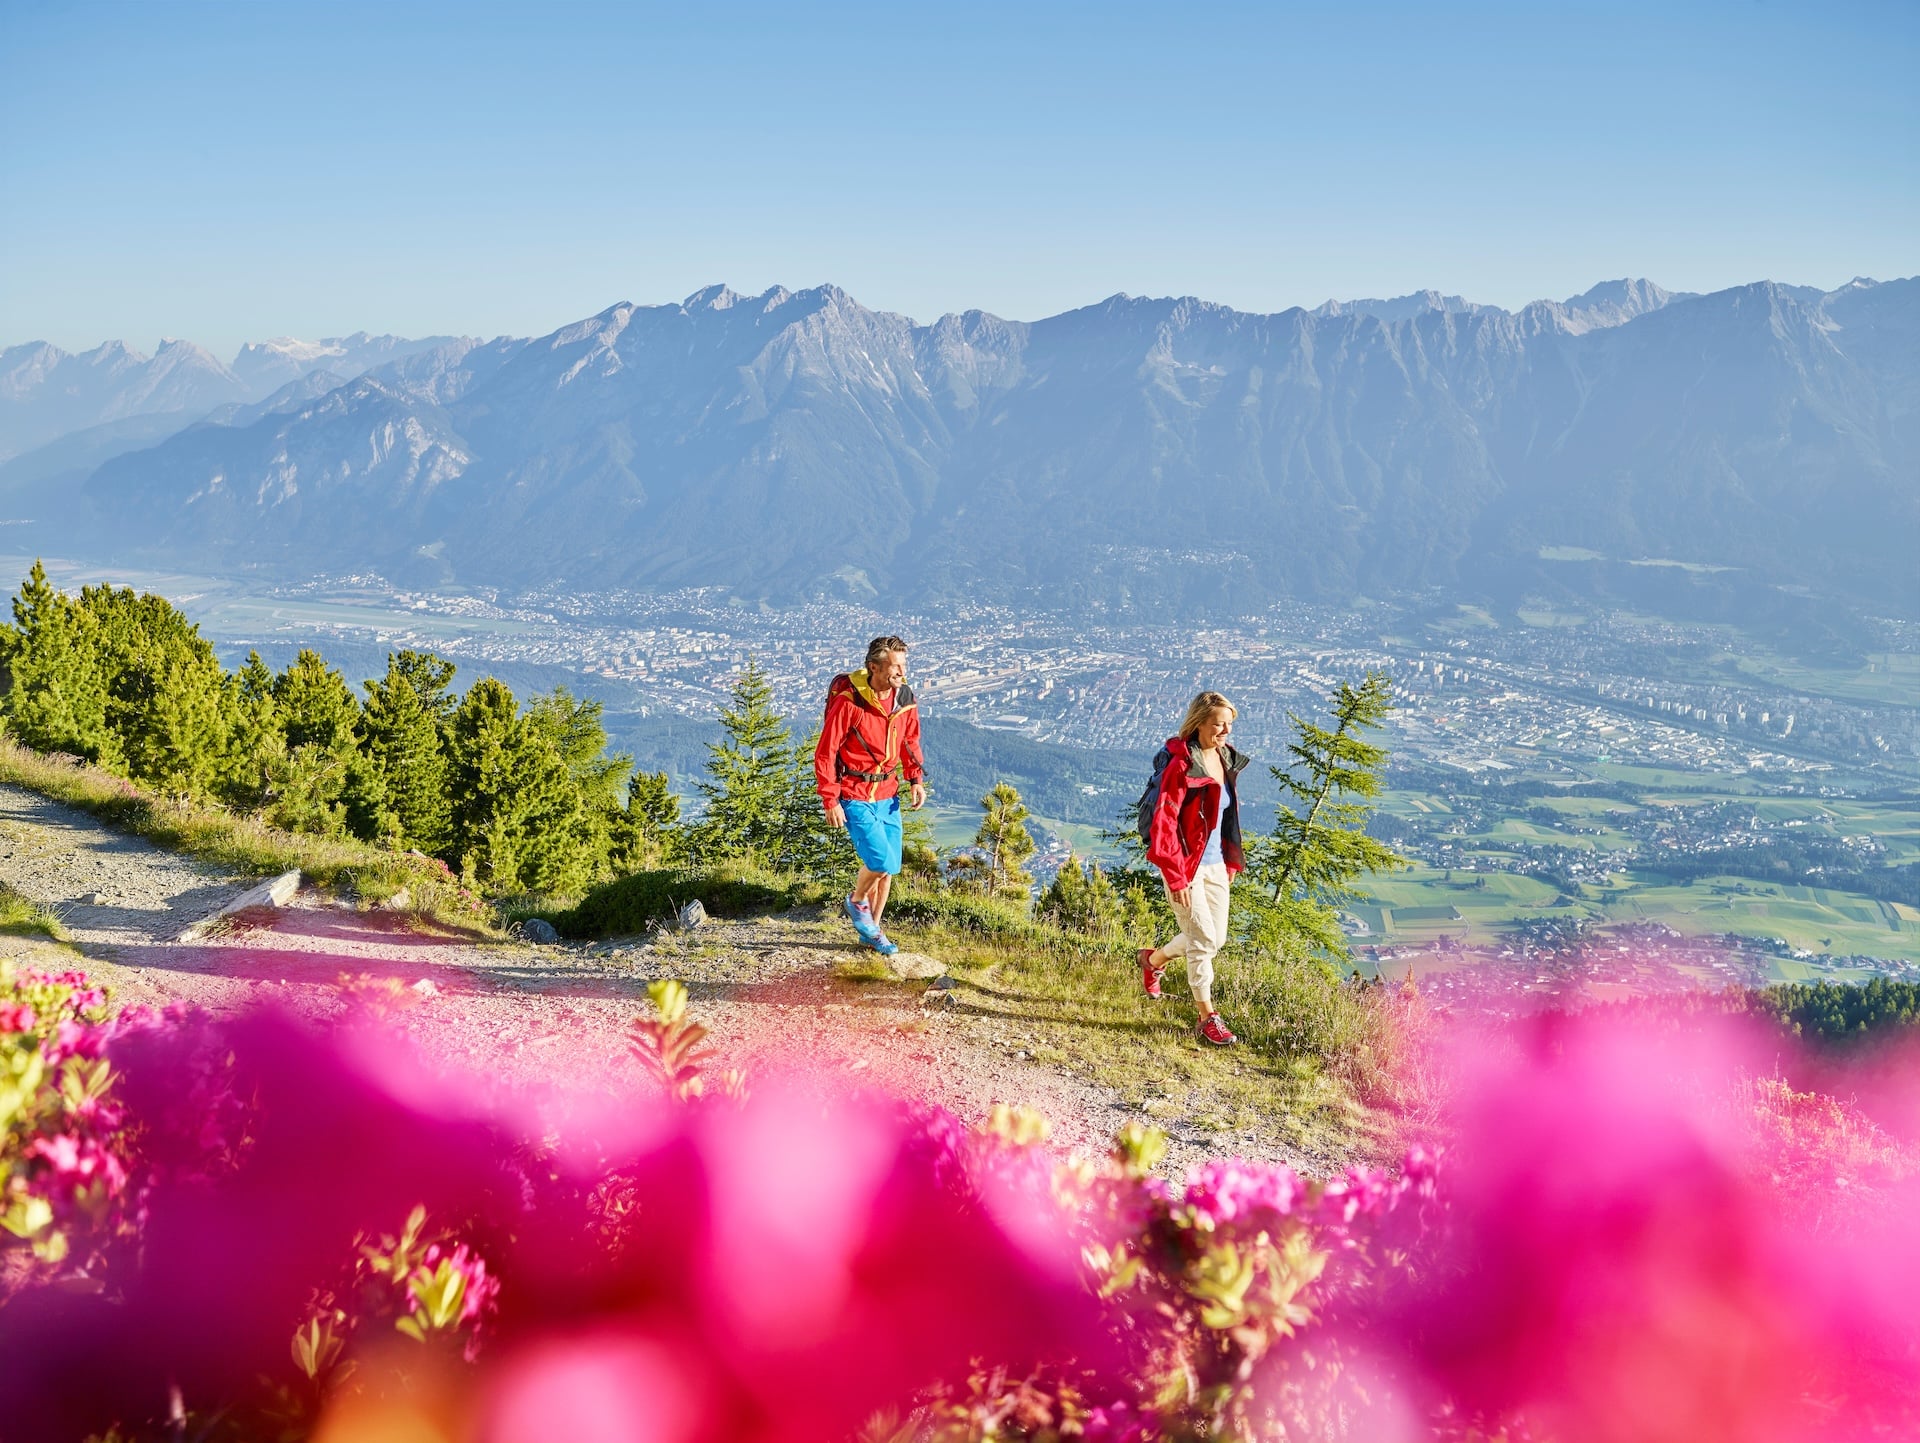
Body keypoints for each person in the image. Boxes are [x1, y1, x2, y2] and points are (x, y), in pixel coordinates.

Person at [1139, 690, 1249, 1046]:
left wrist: (1231, 859)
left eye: (1229, 724)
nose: (1226, 731)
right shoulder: (1181, 765)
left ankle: (1153, 961)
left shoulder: (1224, 758)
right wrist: (1175, 876)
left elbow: (1225, 815)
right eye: (1219, 724)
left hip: (1216, 864)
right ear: (1199, 722)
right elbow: (1164, 823)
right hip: (1185, 866)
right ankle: (1207, 1018)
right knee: (1203, 942)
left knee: (1216, 939)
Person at [815, 635, 927, 956]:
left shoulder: (904, 697)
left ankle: (873, 932)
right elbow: (826, 752)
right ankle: (856, 902)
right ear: (873, 667)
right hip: (854, 792)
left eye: (904, 666)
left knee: (888, 870)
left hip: (888, 793)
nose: (901, 673)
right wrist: (830, 799)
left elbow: (910, 740)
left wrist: (915, 779)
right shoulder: (850, 702)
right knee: (880, 861)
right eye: (895, 666)